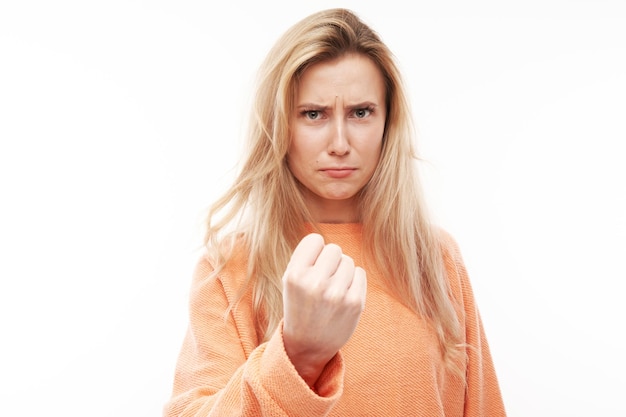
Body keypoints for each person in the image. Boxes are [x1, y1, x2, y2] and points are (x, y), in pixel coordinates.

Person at [163, 7, 506, 417]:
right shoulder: (231, 267)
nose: (340, 143)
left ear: (387, 121)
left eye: (361, 112)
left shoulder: (434, 257)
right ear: (279, 125)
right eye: (313, 114)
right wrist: (297, 354)